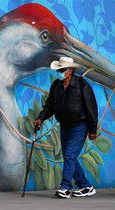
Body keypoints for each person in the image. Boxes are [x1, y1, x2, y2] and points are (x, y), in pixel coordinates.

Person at [34, 57, 98, 198]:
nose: (59, 72)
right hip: (65, 126)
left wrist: (93, 130)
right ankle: (86, 186)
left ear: (70, 71)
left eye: (61, 70)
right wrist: (40, 118)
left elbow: (91, 108)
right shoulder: (56, 86)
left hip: (80, 126)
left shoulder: (82, 86)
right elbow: (50, 105)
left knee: (69, 155)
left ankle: (66, 188)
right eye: (58, 70)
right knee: (70, 157)